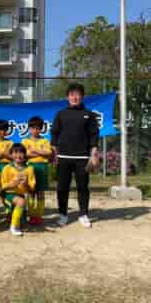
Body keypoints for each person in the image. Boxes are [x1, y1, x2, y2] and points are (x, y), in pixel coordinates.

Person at [51, 83, 100, 228]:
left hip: (82, 158)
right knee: (62, 187)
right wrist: (55, 154)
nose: (75, 97)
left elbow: (94, 136)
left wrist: (93, 155)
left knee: (83, 187)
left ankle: (83, 214)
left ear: (82, 97)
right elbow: (54, 134)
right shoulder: (60, 114)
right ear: (67, 97)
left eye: (78, 94)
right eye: (72, 94)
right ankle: (63, 215)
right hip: (63, 157)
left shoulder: (89, 115)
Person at [22, 116, 53, 225]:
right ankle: (31, 215)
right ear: (29, 128)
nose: (35, 130)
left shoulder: (45, 140)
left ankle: (38, 216)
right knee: (30, 192)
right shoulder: (25, 141)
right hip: (30, 168)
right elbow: (25, 154)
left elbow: (49, 153)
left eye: (38, 128)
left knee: (40, 193)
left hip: (42, 167)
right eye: (33, 128)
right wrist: (40, 152)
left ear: (41, 129)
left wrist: (34, 150)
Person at [1, 144, 36, 236]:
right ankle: (13, 227)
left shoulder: (29, 168)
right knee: (21, 202)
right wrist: (12, 184)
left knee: (23, 222)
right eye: (15, 153)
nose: (18, 155)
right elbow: (2, 187)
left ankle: (16, 220)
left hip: (22, 195)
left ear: (25, 154)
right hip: (8, 194)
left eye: (21, 152)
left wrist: (26, 184)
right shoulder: (7, 168)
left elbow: (32, 188)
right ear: (11, 155)